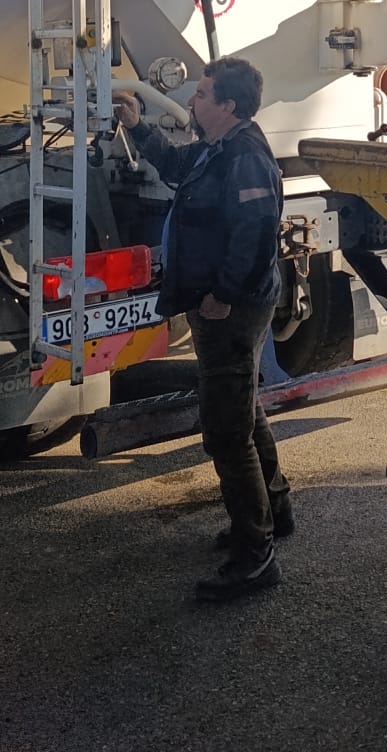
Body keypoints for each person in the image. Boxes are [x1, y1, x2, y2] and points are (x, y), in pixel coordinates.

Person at [113, 58, 293, 603]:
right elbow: (174, 165)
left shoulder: (245, 157)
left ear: (228, 106)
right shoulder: (216, 148)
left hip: (231, 311)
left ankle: (255, 555)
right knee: (245, 408)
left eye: (203, 94)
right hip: (224, 306)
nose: (192, 100)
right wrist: (137, 126)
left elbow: (256, 235)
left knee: (226, 432)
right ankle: (274, 510)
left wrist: (222, 296)